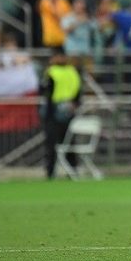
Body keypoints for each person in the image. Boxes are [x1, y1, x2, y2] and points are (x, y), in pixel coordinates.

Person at [41, 49, 81, 179]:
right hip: (68, 111)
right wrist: (75, 104)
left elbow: (43, 89)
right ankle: (72, 171)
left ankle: (51, 173)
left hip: (53, 112)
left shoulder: (52, 72)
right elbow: (78, 91)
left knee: (52, 144)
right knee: (69, 143)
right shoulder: (72, 71)